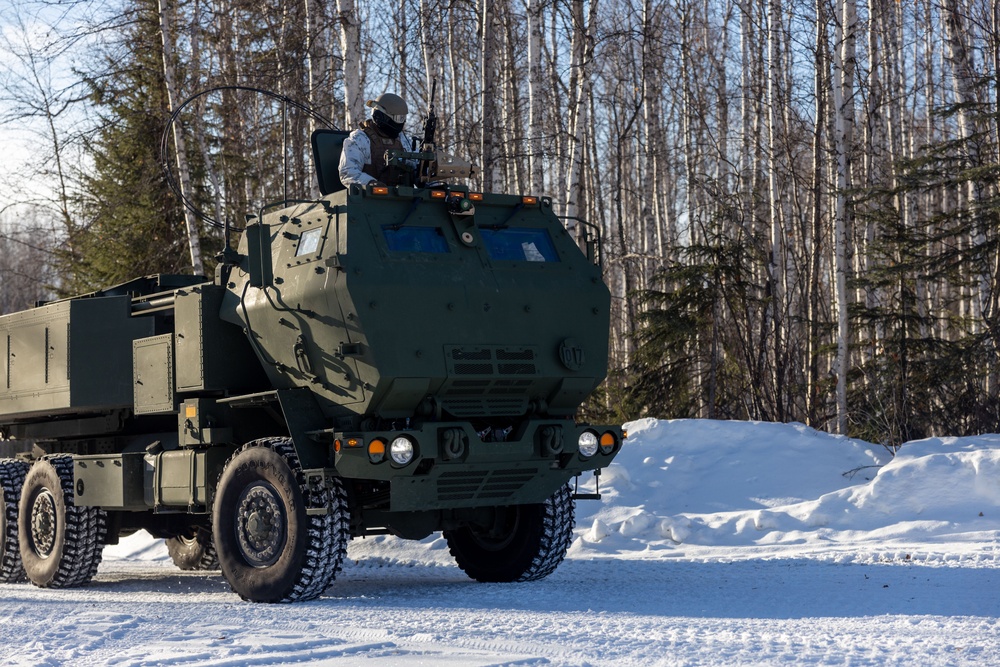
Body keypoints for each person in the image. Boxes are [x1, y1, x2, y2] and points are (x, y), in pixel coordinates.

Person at [338, 92, 419, 187]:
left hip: (404, 199)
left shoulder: (404, 141)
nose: (400, 122)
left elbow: (416, 167)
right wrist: (370, 183)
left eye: (402, 118)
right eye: (397, 118)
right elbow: (348, 172)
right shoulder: (360, 139)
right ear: (380, 117)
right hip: (369, 199)